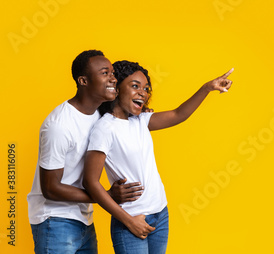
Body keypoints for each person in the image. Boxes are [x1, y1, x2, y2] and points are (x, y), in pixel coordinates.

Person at [83, 60, 233, 253]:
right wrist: (129, 221)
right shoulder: (104, 128)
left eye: (146, 88)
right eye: (135, 86)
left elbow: (179, 114)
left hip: (160, 214)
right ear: (117, 88)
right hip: (131, 219)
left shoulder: (141, 121)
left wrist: (207, 88)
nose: (143, 92)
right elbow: (90, 182)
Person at [27, 50, 144, 254]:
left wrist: (142, 112)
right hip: (54, 220)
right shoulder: (59, 126)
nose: (113, 79)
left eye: (113, 73)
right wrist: (106, 196)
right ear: (83, 81)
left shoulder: (101, 114)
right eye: (105, 73)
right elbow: (50, 188)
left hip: (83, 219)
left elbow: (126, 115)